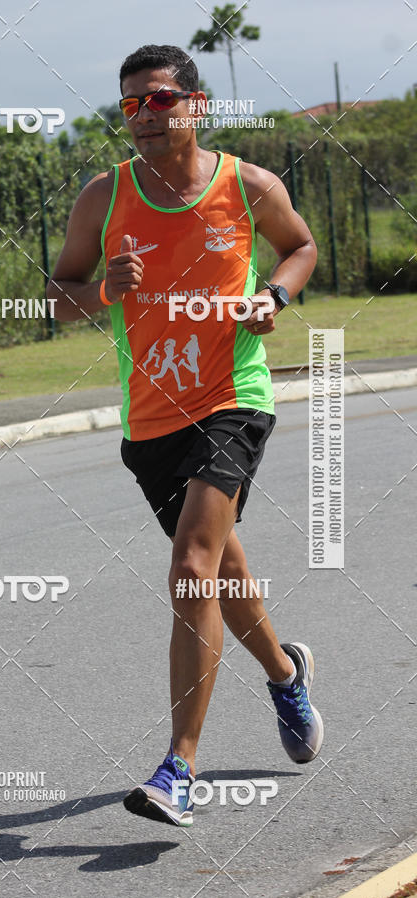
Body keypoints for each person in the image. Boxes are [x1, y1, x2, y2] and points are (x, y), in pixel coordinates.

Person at [49, 44, 322, 828]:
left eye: (160, 100)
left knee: (192, 565)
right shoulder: (104, 196)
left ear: (196, 106)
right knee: (222, 572)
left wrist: (274, 296)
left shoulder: (248, 184)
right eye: (130, 104)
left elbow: (300, 247)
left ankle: (180, 767)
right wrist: (104, 288)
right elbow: (59, 296)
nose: (144, 117)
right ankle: (284, 672)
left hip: (233, 393)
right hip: (152, 417)